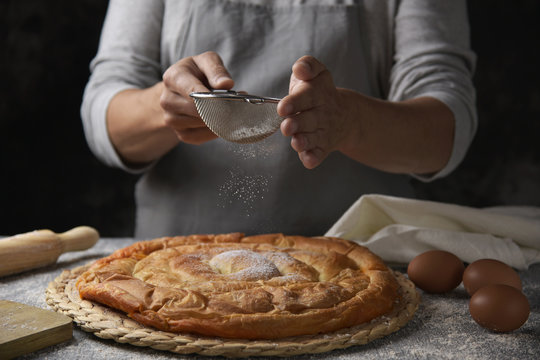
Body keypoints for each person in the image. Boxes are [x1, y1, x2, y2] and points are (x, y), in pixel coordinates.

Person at [81, 0, 477, 239]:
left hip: (359, 256)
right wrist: (164, 107)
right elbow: (105, 116)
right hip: (177, 264)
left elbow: (446, 132)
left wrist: (350, 121)